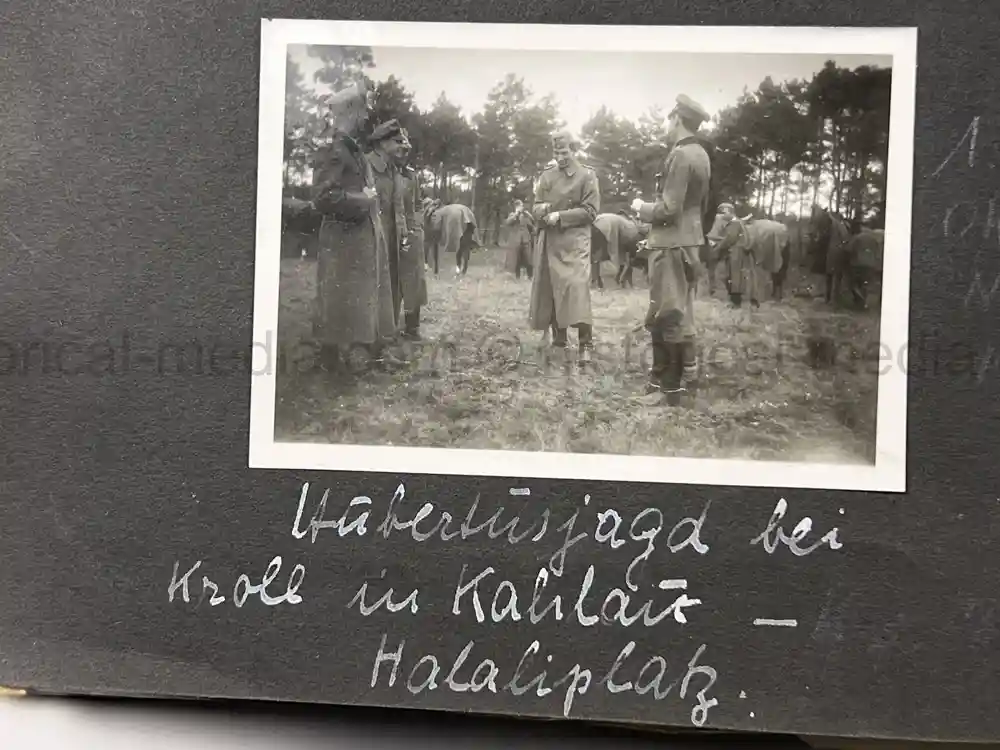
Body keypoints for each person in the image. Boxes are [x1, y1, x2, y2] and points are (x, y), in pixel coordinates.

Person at [310, 78, 396, 375]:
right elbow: (322, 197)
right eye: (362, 110)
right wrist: (363, 199)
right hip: (342, 241)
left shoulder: (351, 149)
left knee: (352, 301)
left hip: (354, 241)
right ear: (348, 110)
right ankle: (332, 363)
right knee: (337, 301)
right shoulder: (334, 149)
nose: (365, 116)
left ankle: (346, 358)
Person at [631, 94, 712, 406]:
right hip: (687, 243)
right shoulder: (701, 154)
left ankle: (669, 391)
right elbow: (697, 208)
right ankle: (665, 382)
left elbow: (669, 208)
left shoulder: (680, 155)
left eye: (669, 119)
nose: (667, 125)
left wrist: (640, 207)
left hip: (671, 245)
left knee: (667, 317)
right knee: (676, 314)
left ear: (677, 118)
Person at [529, 130, 601, 367]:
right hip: (551, 241)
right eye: (556, 152)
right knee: (552, 289)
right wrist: (542, 210)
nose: (560, 157)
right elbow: (536, 206)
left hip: (575, 242)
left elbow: (591, 211)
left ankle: (585, 344)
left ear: (574, 150)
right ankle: (559, 339)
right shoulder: (547, 176)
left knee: (577, 289)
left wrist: (560, 215)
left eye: (564, 152)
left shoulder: (587, 175)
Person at [366, 119, 409, 329]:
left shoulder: (394, 170)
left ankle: (386, 332)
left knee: (392, 282)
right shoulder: (365, 166)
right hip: (371, 236)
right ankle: (371, 334)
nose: (402, 146)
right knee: (372, 285)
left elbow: (398, 206)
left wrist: (403, 232)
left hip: (392, 237)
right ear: (383, 143)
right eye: (397, 141)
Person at [394, 128, 429, 339]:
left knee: (413, 280)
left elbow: (417, 204)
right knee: (390, 281)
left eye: (406, 151)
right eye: (400, 149)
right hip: (389, 231)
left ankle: (412, 327)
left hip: (411, 234)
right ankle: (386, 326)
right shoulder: (381, 174)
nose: (403, 154)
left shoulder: (411, 175)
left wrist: (416, 226)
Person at [713, 206, 760, 309]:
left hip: (736, 252)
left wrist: (718, 247)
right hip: (740, 251)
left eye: (723, 213)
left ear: (730, 212)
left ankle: (736, 302)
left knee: (735, 276)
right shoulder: (737, 222)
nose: (721, 216)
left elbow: (730, 238)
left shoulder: (734, 223)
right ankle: (747, 299)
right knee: (740, 276)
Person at [504, 199, 535, 280]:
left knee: (529, 258)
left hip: (526, 239)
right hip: (516, 240)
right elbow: (508, 222)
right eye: (519, 206)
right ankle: (517, 276)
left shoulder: (526, 216)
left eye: (521, 206)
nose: (521, 207)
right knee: (517, 259)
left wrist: (528, 215)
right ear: (516, 207)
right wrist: (516, 214)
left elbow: (532, 223)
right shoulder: (512, 215)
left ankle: (530, 276)